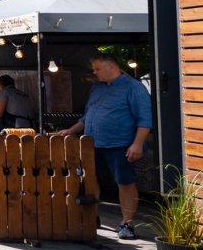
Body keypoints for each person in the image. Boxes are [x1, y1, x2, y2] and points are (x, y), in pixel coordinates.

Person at [55, 53, 153, 239]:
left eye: (97, 69)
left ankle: (127, 224)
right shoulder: (97, 88)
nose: (94, 72)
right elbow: (88, 116)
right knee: (91, 180)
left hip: (121, 144)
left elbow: (145, 120)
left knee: (124, 182)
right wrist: (71, 130)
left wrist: (137, 144)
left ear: (112, 67)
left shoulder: (134, 88)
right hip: (93, 144)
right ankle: (93, 216)